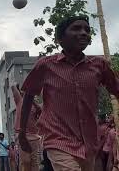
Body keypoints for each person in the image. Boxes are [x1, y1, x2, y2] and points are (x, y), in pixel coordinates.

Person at [18, 15, 119, 171]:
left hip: (89, 142)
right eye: (76, 28)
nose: (84, 32)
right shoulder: (46, 65)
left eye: (87, 29)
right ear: (61, 38)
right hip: (58, 139)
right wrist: (22, 133)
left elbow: (117, 90)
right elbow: (28, 96)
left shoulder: (100, 66)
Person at [11, 84, 41, 171]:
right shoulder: (20, 101)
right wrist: (17, 87)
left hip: (34, 137)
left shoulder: (36, 106)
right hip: (22, 136)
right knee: (25, 161)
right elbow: (12, 87)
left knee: (34, 162)